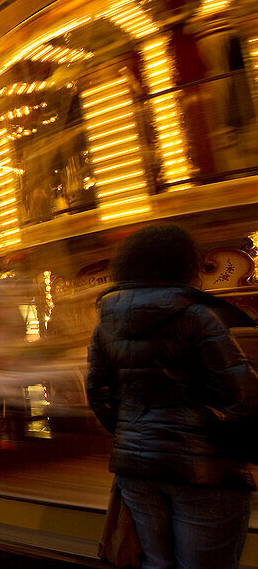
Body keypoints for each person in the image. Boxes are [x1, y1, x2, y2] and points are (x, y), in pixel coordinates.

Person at [87, 224, 258, 569]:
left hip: (136, 467)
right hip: (203, 469)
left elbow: (98, 392)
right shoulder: (199, 316)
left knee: (156, 562)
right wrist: (225, 440)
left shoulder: (107, 323)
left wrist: (133, 433)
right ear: (184, 265)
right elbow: (243, 395)